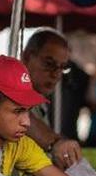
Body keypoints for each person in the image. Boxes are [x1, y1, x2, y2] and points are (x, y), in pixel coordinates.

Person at [18, 30, 83, 168]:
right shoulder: (10, 92)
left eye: (62, 68)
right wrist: (55, 144)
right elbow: (20, 114)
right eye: (49, 64)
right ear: (27, 57)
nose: (56, 74)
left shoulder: (40, 102)